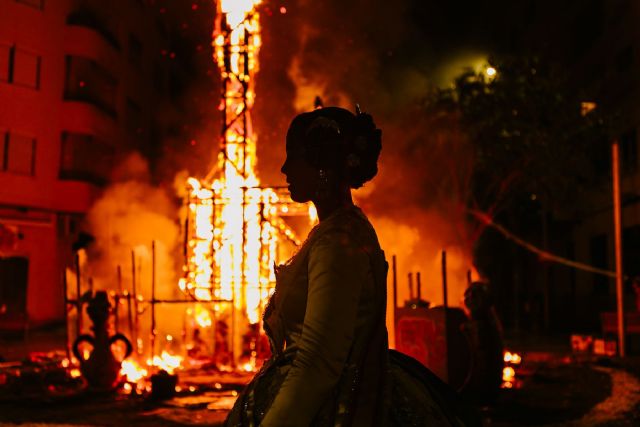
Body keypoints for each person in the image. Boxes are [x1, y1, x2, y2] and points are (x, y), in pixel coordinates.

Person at [225, 107, 477, 426]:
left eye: (294, 157)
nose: (285, 168)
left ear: (322, 168)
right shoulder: (337, 232)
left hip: (329, 411)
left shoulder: (338, 243)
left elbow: (318, 361)